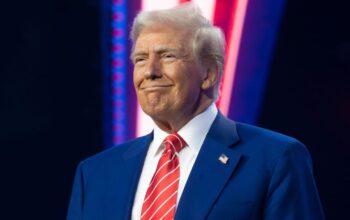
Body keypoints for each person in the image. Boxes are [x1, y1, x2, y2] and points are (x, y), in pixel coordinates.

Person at [67, 3, 324, 220]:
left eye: (167, 56)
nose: (150, 71)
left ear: (208, 74)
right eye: (141, 59)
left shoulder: (275, 159)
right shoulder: (94, 174)